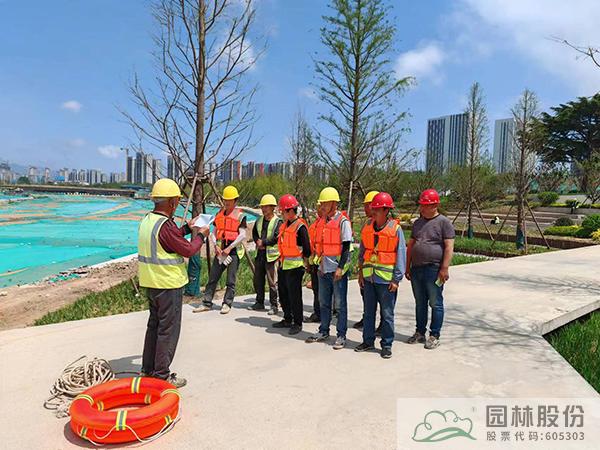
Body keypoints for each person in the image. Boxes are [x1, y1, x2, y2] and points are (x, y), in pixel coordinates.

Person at [139, 178, 210, 388]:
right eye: (177, 201)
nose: (178, 204)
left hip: (152, 283)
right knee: (167, 331)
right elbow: (188, 250)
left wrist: (187, 228)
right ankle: (162, 375)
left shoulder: (148, 221)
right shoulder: (165, 226)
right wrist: (201, 236)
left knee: (154, 327)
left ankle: (148, 369)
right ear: (172, 202)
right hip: (168, 285)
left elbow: (169, 239)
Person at [356, 192, 406, 359]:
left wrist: (396, 279)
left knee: (387, 314)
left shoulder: (395, 230)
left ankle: (386, 345)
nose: (374, 212)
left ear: (386, 210)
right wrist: (361, 273)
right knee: (368, 313)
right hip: (369, 279)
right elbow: (362, 252)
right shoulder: (367, 228)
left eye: (377, 209)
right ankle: (368, 341)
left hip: (386, 281)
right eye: (373, 209)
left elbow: (401, 255)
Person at [405, 189, 455, 350]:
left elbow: (449, 247)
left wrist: (444, 268)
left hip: (434, 269)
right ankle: (420, 332)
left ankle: (434, 335)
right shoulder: (418, 223)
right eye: (421, 205)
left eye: (425, 205)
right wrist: (407, 266)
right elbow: (411, 245)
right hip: (417, 269)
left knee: (435, 302)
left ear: (434, 206)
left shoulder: (444, 222)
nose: (422, 208)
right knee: (420, 303)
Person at [305, 187, 352, 350]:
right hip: (323, 269)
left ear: (333, 203)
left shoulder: (343, 222)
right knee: (323, 302)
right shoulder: (321, 222)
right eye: (322, 203)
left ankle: (341, 335)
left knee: (339, 305)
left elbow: (346, 247)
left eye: (325, 203)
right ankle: (323, 330)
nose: (322, 206)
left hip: (336, 271)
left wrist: (340, 268)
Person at [193, 185, 247, 314]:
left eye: (229, 200)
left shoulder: (240, 216)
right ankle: (206, 302)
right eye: (225, 200)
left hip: (233, 252)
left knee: (230, 280)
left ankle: (227, 303)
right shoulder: (220, 214)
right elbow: (214, 232)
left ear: (235, 200)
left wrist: (229, 248)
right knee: (213, 277)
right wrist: (215, 245)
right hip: (220, 251)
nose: (226, 202)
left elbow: (242, 235)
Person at [272, 194, 311, 335]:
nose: (281, 214)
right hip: (284, 265)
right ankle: (287, 318)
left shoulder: (300, 227)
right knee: (283, 294)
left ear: (290, 211)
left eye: (283, 211)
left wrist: (306, 263)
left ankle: (297, 322)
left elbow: (307, 249)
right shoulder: (284, 226)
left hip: (295, 267)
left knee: (295, 296)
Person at [353, 190, 383, 332]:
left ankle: (383, 324)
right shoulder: (367, 225)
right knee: (366, 297)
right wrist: (360, 271)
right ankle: (367, 319)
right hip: (367, 270)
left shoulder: (386, 226)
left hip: (382, 272)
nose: (365, 208)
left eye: (367, 205)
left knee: (383, 301)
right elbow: (363, 250)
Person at [248, 194, 282, 315]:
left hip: (272, 256)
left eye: (266, 207)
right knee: (258, 279)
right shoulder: (259, 220)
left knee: (272, 282)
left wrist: (264, 242)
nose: (263, 209)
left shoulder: (278, 222)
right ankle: (259, 302)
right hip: (260, 254)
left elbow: (277, 237)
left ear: (273, 207)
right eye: (262, 207)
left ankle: (274, 305)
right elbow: (254, 233)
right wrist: (257, 241)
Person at [305, 201, 325, 323]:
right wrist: (308, 263)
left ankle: (324, 313)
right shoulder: (314, 226)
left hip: (325, 263)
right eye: (319, 207)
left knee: (324, 291)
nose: (320, 209)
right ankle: (318, 313)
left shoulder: (329, 224)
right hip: (315, 262)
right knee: (316, 289)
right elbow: (310, 245)